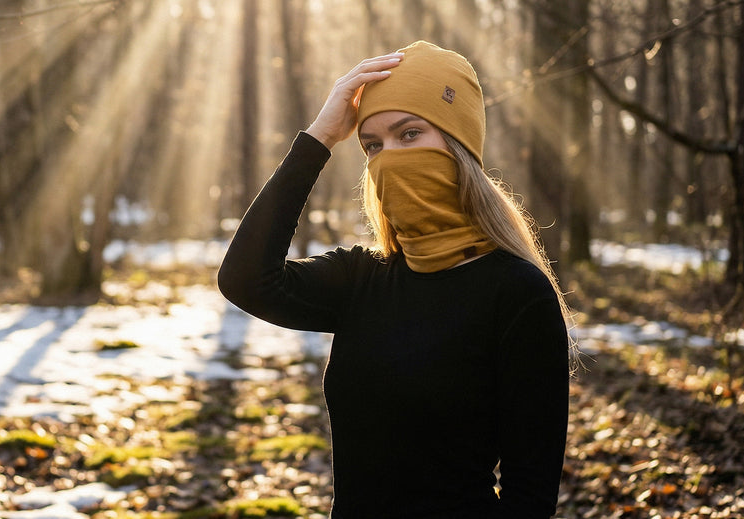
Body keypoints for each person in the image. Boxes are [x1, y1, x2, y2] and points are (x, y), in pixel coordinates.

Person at [218, 40, 572, 518]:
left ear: (457, 145)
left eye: (409, 133)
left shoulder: (517, 293)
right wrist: (320, 138)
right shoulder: (361, 278)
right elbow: (245, 279)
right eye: (373, 145)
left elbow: (530, 495)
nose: (389, 157)